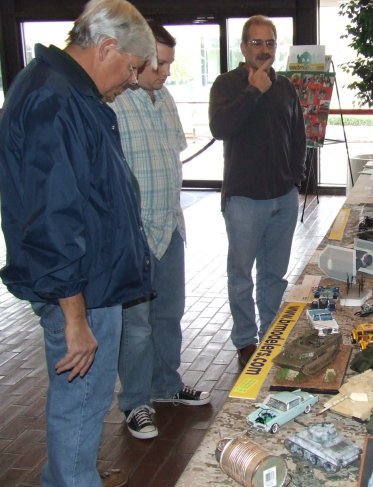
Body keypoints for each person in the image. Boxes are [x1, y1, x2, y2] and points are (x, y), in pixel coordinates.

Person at [0, 1, 156, 486]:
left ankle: (71, 474)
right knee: (82, 402)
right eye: (132, 67)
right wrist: (75, 317)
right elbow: (52, 218)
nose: (133, 80)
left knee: (83, 402)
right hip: (81, 291)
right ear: (107, 47)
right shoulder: (55, 99)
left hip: (89, 282)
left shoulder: (66, 91)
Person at [109, 19, 210, 440]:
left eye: (170, 64)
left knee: (169, 315)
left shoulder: (164, 98)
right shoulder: (115, 100)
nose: (167, 72)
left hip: (170, 226)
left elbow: (171, 157)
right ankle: (135, 402)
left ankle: (166, 385)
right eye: (160, 64)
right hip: (134, 235)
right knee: (136, 326)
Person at [208, 15, 306, 368]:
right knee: (241, 276)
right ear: (243, 47)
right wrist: (253, 91)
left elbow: (298, 136)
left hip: (283, 198)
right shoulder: (227, 84)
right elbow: (220, 128)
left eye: (269, 43)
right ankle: (246, 340)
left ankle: (270, 333)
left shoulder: (286, 87)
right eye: (256, 43)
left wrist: (295, 179)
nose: (264, 50)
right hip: (244, 201)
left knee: (273, 275)